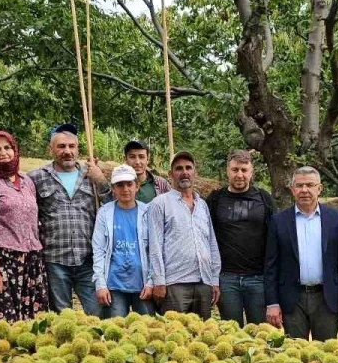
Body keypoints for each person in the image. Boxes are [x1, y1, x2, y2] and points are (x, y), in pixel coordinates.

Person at [264, 167, 338, 339]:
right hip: (292, 299)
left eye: (310, 185)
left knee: (327, 354)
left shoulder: (335, 218)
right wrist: (272, 302)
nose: (304, 190)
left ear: (319, 189)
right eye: (299, 185)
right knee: (295, 355)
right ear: (292, 189)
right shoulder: (279, 221)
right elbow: (271, 266)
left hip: (326, 298)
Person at [28, 124, 109, 316]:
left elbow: (113, 206)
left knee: (97, 315)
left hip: (87, 258)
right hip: (55, 259)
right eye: (61, 146)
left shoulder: (91, 174)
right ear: (51, 149)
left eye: (71, 146)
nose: (67, 151)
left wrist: (101, 181)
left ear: (78, 149)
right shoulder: (36, 178)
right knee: (63, 317)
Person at [0, 131, 48, 323]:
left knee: (35, 324)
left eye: (7, 147)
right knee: (7, 325)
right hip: (2, 261)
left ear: (15, 150)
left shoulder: (27, 182)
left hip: (32, 259)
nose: (3, 152)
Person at [147, 152, 221, 318]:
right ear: (170, 174)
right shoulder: (160, 203)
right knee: (176, 336)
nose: (184, 172)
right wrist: (159, 281)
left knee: (202, 337)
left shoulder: (202, 205)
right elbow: (155, 246)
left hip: (203, 282)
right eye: (179, 168)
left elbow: (211, 243)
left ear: (195, 172)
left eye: (188, 168)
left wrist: (214, 279)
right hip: (175, 283)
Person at [207, 150, 274, 327]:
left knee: (260, 333)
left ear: (251, 172)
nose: (239, 174)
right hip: (226, 278)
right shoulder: (215, 199)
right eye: (235, 169)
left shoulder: (264, 198)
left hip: (258, 279)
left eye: (244, 170)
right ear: (227, 171)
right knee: (231, 333)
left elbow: (274, 237)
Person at [93, 165, 154, 317]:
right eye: (120, 185)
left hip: (142, 284)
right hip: (114, 284)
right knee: (116, 329)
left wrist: (151, 281)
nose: (125, 189)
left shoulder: (147, 212)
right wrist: (100, 284)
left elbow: (154, 250)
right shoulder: (104, 213)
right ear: (113, 188)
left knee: (147, 329)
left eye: (129, 184)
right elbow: (99, 250)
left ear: (137, 186)